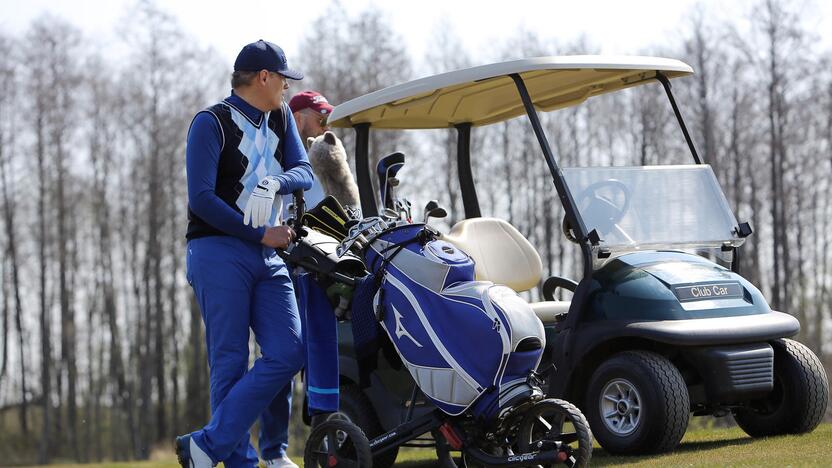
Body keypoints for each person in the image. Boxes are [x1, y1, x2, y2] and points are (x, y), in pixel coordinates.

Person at [176, 40, 313, 468]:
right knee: (231, 360)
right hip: (217, 251)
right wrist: (258, 234)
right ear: (264, 78)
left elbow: (304, 171)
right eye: (284, 80)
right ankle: (240, 461)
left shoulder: (281, 116)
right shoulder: (210, 122)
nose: (288, 90)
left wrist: (277, 182)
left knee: (289, 351)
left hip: (267, 254)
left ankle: (214, 446)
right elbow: (200, 199)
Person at [281, 90, 334, 216]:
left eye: (329, 122)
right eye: (321, 120)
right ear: (297, 120)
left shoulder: (331, 163)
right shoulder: (277, 160)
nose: (326, 128)